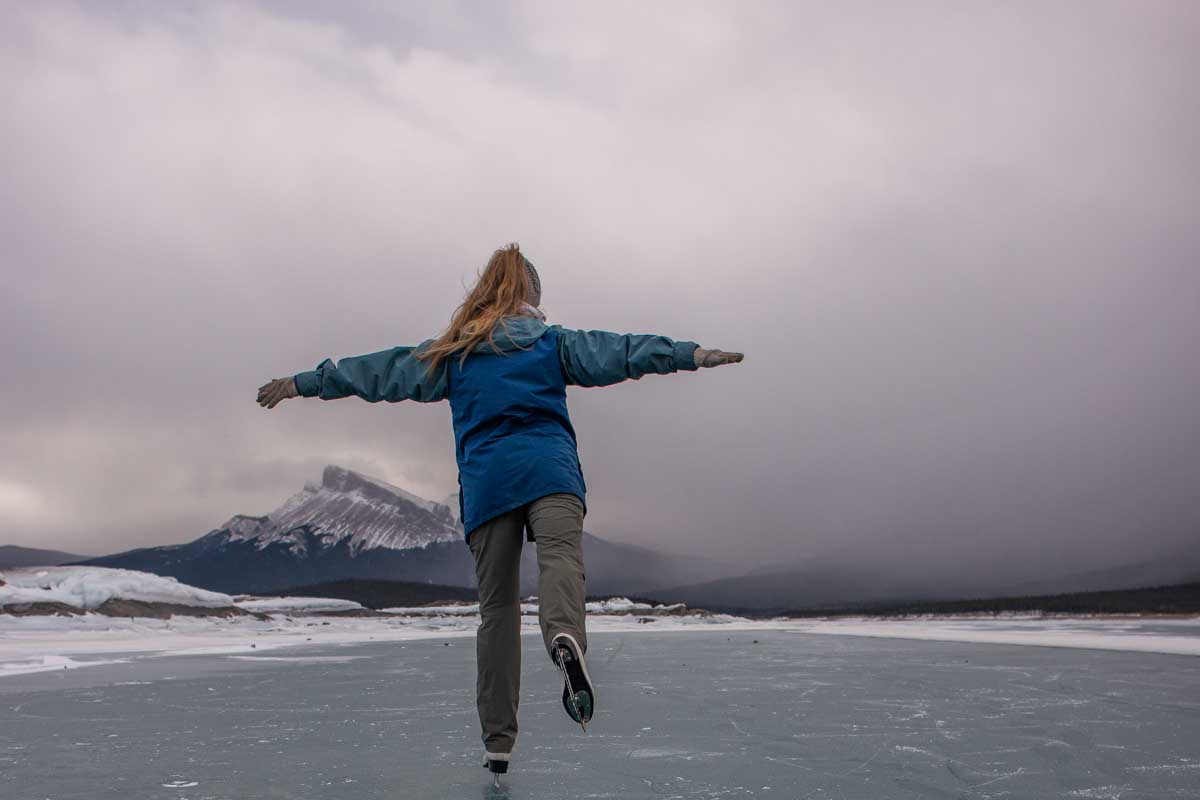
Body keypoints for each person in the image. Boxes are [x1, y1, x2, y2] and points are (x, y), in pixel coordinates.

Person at [256, 243, 743, 779]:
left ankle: (498, 743)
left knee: (498, 613)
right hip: (551, 473)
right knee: (561, 558)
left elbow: (378, 372)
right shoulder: (552, 343)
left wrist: (305, 382)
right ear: (531, 294)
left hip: (489, 486)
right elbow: (621, 351)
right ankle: (564, 638)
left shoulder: (453, 353)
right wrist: (687, 353)